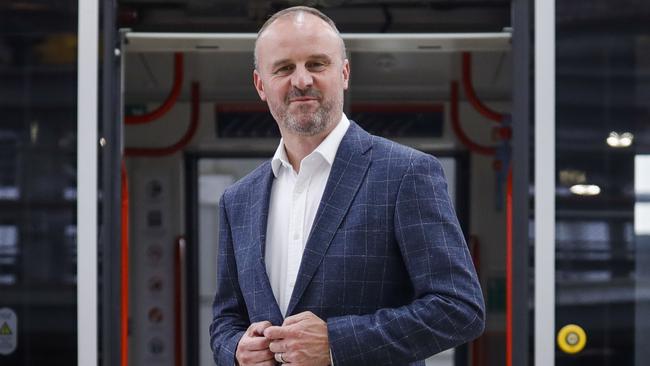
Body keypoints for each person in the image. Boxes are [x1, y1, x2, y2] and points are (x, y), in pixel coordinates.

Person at [210, 6, 485, 366]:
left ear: (344, 73)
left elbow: (460, 308)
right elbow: (224, 322)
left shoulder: (406, 174)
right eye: (284, 68)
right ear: (261, 85)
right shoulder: (238, 200)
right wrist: (235, 350)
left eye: (317, 64)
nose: (302, 80)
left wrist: (335, 344)